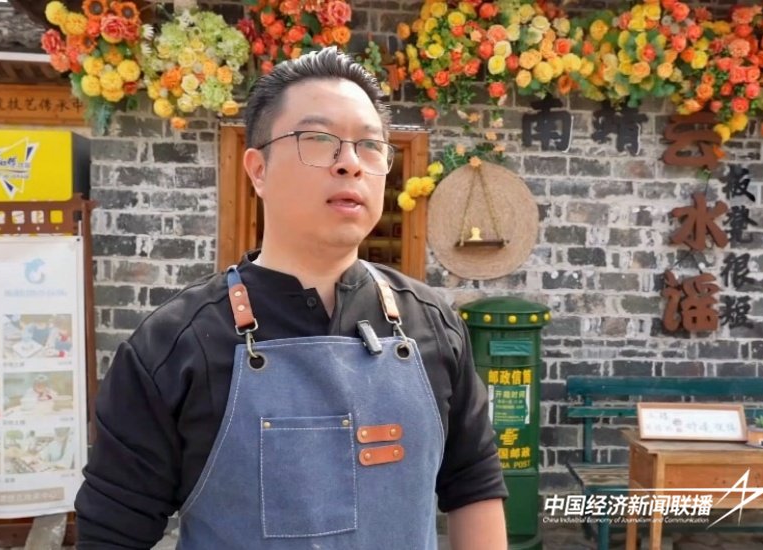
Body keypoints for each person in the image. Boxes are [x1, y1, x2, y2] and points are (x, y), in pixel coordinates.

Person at [75, 46, 507, 549]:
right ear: (257, 169)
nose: (350, 163)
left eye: (370, 146)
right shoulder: (175, 346)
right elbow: (112, 534)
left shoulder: (432, 324)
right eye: (318, 139)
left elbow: (474, 483)